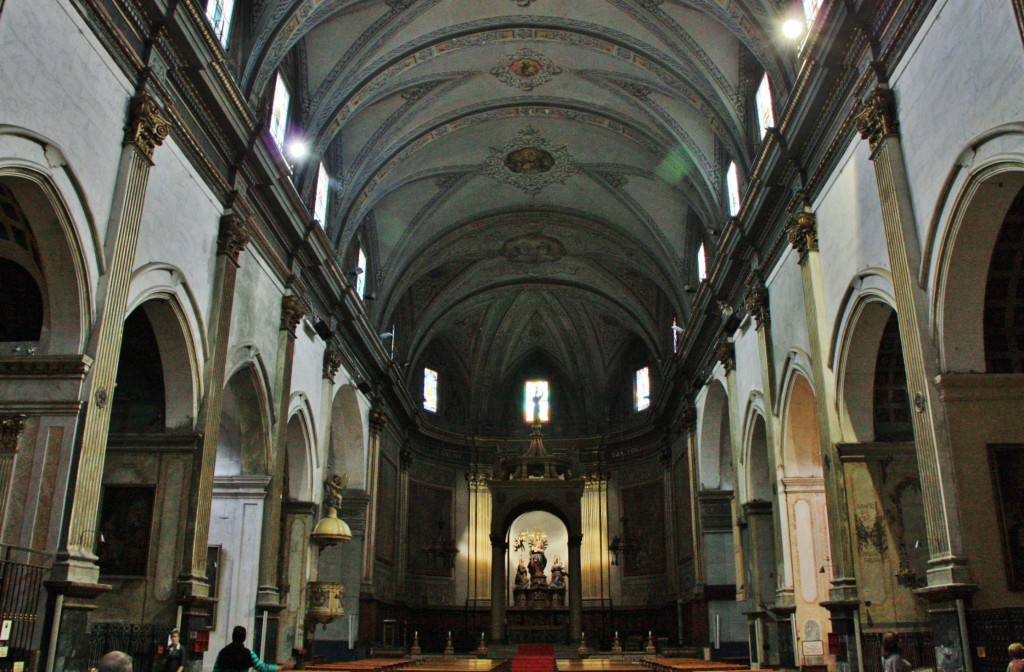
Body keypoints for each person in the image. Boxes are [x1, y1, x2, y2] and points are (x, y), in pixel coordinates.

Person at [212, 626, 294, 672]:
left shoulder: (223, 652)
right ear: (244, 638)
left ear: (233, 636)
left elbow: (216, 670)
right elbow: (262, 667)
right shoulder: (248, 654)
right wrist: (281, 667)